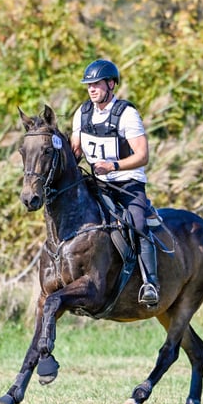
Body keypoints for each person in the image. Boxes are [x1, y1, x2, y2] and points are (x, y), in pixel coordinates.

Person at [70, 59, 159, 307]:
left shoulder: (127, 114)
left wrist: (114, 166)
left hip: (127, 184)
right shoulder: (82, 112)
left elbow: (143, 155)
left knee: (138, 224)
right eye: (89, 85)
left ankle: (150, 282)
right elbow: (75, 148)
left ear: (111, 84)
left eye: (96, 84)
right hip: (96, 182)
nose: (91, 89)